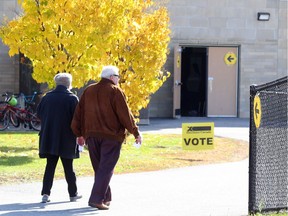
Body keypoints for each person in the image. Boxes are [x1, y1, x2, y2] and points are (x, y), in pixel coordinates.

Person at [71, 65, 142, 210]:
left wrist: (78, 133)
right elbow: (125, 115)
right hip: (111, 136)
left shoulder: (88, 90)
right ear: (111, 77)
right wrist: (135, 132)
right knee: (105, 168)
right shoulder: (115, 91)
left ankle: (105, 197)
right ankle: (96, 199)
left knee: (100, 168)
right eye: (117, 77)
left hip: (91, 136)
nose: (118, 79)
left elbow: (78, 114)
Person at [37, 73, 83, 203]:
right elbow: (77, 119)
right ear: (69, 84)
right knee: (69, 168)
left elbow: (39, 113)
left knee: (50, 166)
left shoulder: (47, 97)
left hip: (49, 136)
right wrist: (80, 135)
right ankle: (73, 194)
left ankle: (45, 194)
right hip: (67, 138)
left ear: (56, 83)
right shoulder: (72, 98)